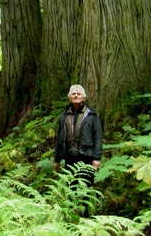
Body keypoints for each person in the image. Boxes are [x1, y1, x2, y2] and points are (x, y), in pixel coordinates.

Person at [54, 84, 103, 216]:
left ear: (84, 97)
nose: (75, 95)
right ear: (69, 97)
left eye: (78, 93)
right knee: (71, 185)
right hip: (69, 156)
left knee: (87, 185)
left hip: (86, 156)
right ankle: (72, 211)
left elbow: (98, 138)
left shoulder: (91, 115)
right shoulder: (64, 115)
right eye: (73, 93)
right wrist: (57, 159)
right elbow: (59, 138)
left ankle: (86, 212)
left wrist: (96, 158)